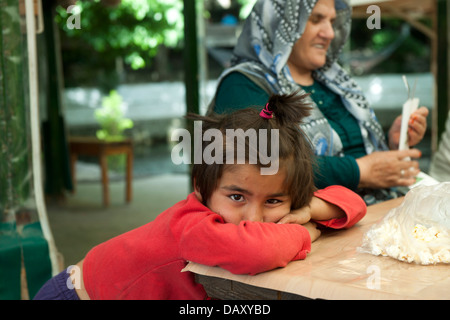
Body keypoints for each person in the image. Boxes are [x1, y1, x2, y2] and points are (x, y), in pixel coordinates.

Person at [34, 92, 366, 300]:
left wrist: (310, 208)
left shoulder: (282, 199)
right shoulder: (192, 225)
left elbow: (354, 203)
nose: (253, 217)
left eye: (273, 202)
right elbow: (252, 249)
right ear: (201, 186)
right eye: (237, 197)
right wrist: (303, 232)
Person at [208, 0, 429, 204]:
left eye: (332, 22)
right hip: (315, 225)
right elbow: (256, 166)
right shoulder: (242, 84)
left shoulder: (335, 81)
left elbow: (356, 150)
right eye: (315, 20)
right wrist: (359, 172)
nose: (330, 33)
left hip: (375, 210)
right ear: (280, 23)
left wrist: (391, 143)